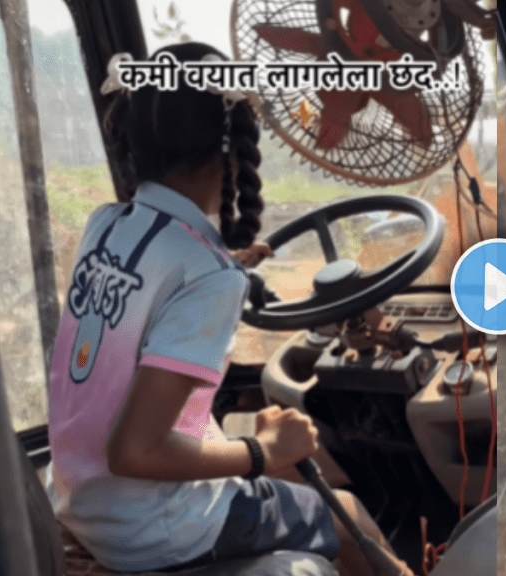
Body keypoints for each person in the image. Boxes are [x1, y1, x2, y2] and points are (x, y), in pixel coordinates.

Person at [44, 42, 409, 576]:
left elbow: (152, 286)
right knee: (345, 512)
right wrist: (263, 450)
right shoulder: (207, 275)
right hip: (153, 526)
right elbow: (135, 452)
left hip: (89, 502)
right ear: (230, 149)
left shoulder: (107, 225)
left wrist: (229, 262)